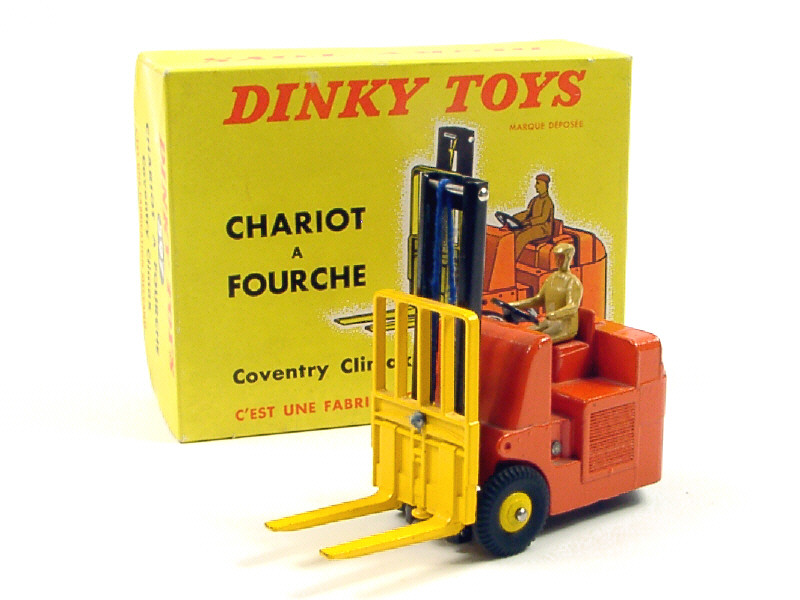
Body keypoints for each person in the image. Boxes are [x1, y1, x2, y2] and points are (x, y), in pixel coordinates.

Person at [509, 243, 582, 343]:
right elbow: (538, 299)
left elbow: (572, 307)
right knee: (525, 335)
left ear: (569, 258)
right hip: (549, 321)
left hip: (564, 326)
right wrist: (514, 305)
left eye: (561, 257)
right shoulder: (551, 278)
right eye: (556, 257)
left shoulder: (573, 282)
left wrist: (554, 314)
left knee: (538, 340)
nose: (558, 261)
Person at [511, 173, 554, 259]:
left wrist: (529, 222)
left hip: (543, 229)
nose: (535, 186)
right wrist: (514, 218)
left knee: (522, 237)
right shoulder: (534, 200)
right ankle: (508, 258)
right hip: (533, 226)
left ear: (545, 185)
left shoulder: (548, 202)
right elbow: (527, 213)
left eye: (538, 183)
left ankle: (512, 260)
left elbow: (543, 218)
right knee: (514, 233)